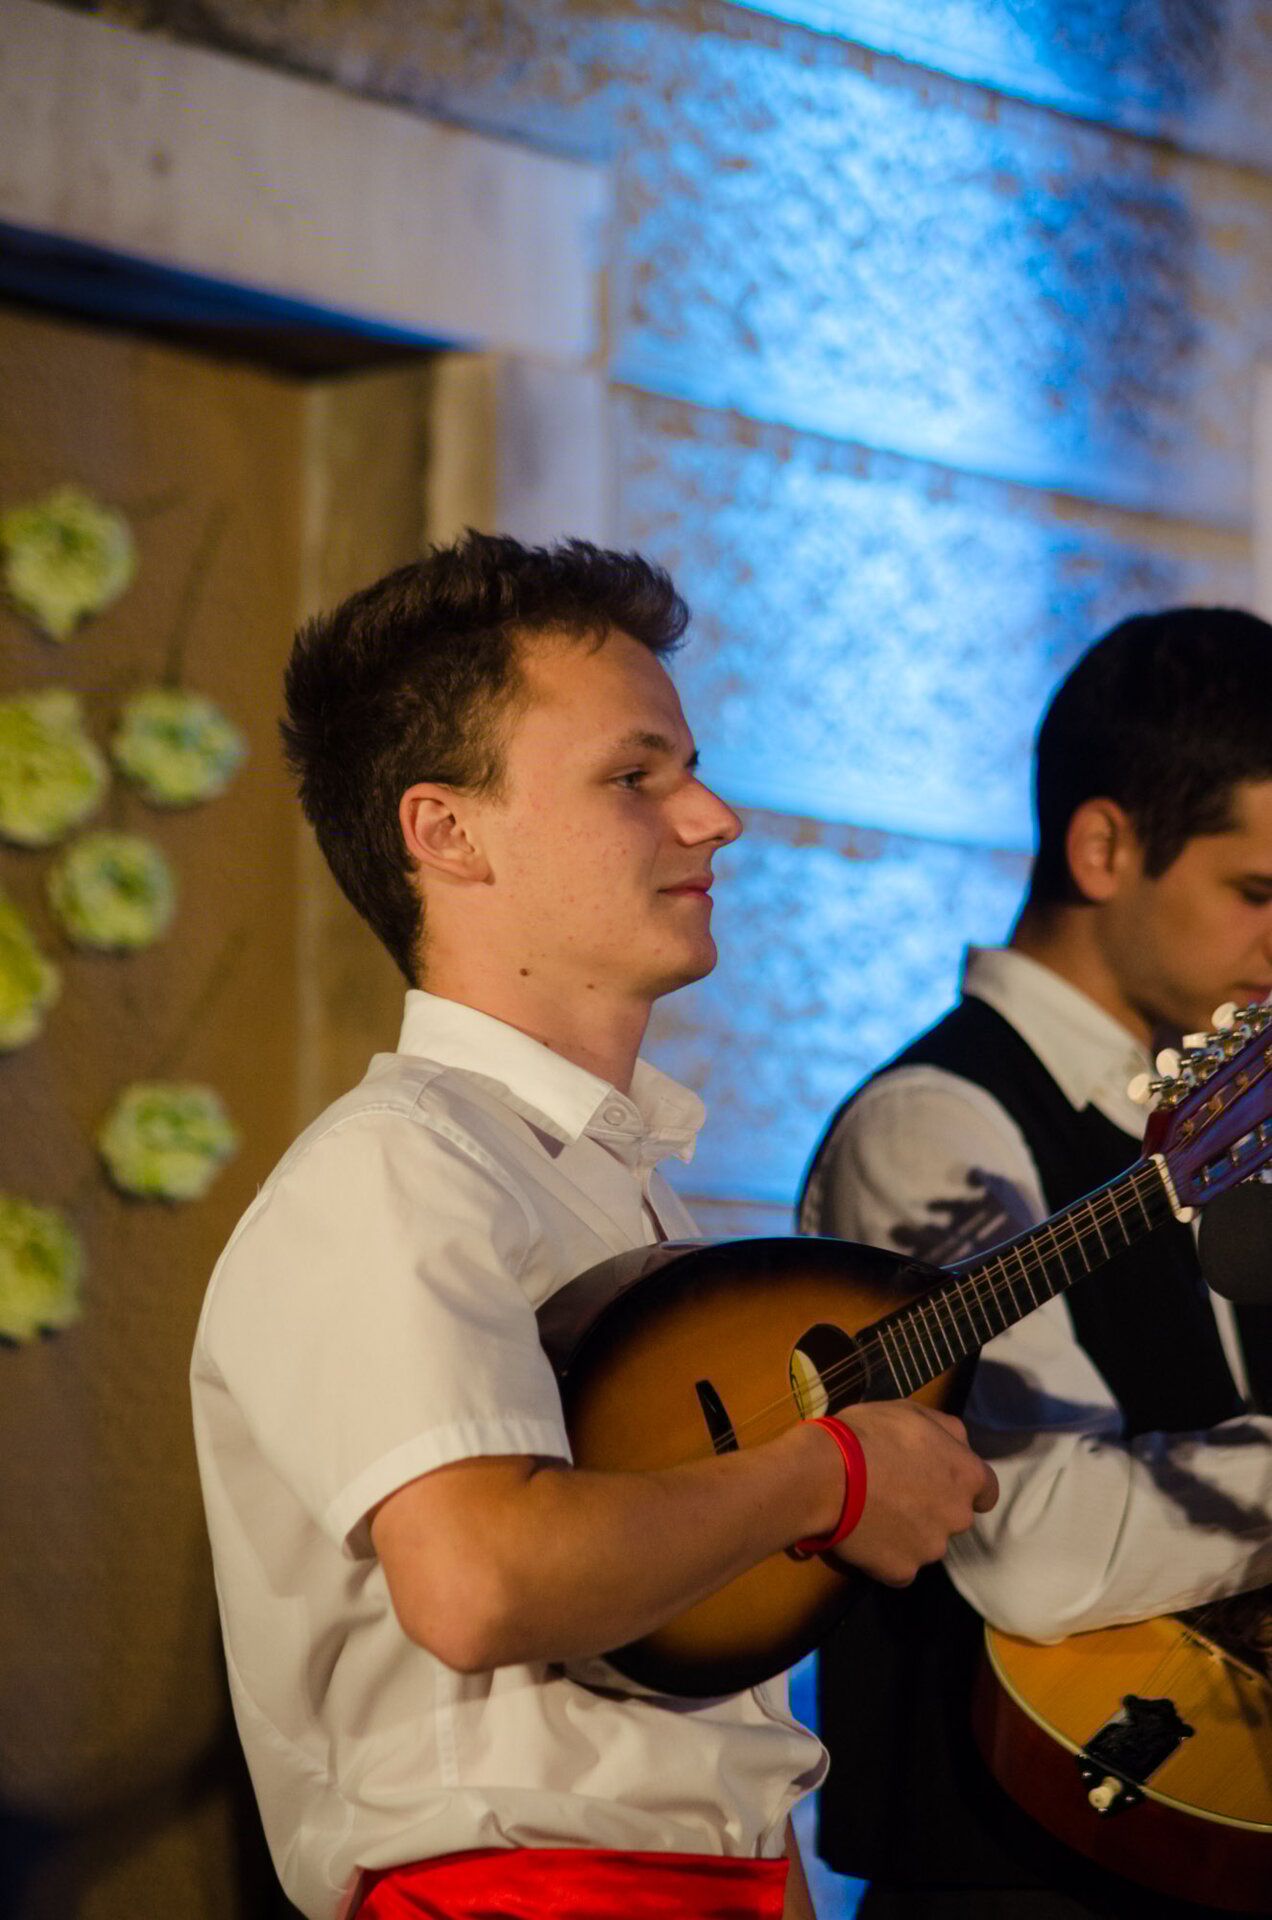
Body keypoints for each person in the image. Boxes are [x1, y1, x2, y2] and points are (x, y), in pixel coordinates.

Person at [191, 531, 997, 1920]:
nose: (715, 818)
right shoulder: (394, 1165)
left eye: (691, 770)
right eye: (637, 777)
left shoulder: (605, 1183)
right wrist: (833, 1475)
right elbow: (480, 1581)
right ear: (446, 832)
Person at [799, 606, 1272, 1919]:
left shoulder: (1222, 1113)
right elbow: (1033, 1544)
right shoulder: (936, 1124)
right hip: (1008, 1870)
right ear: (1102, 847)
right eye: (1256, 893)